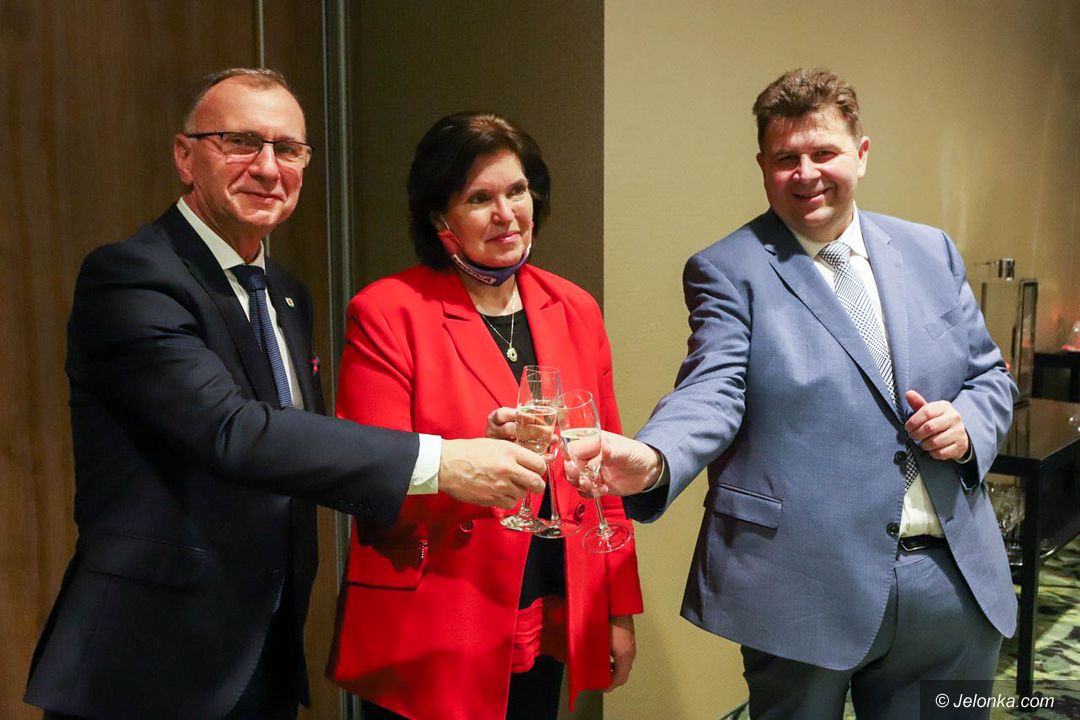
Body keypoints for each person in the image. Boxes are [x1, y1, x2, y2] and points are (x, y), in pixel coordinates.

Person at [23, 69, 546, 720]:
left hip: (262, 652)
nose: (268, 168)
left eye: (288, 149)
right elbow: (233, 431)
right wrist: (443, 460)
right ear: (185, 156)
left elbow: (303, 455)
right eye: (241, 142)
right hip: (148, 662)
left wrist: (468, 458)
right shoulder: (132, 276)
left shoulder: (286, 292)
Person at [576, 68, 1017, 718]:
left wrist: (969, 425)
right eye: (786, 158)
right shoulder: (728, 270)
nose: (806, 174)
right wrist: (655, 457)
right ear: (763, 167)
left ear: (861, 154)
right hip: (803, 583)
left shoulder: (931, 252)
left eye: (824, 153)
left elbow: (989, 376)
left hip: (950, 580)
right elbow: (713, 389)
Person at [326, 112, 643, 720]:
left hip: (550, 604)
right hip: (438, 620)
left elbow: (605, 479)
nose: (507, 214)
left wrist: (617, 609)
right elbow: (368, 481)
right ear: (439, 218)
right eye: (479, 198)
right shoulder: (387, 312)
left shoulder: (574, 307)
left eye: (517, 191)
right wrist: (468, 456)